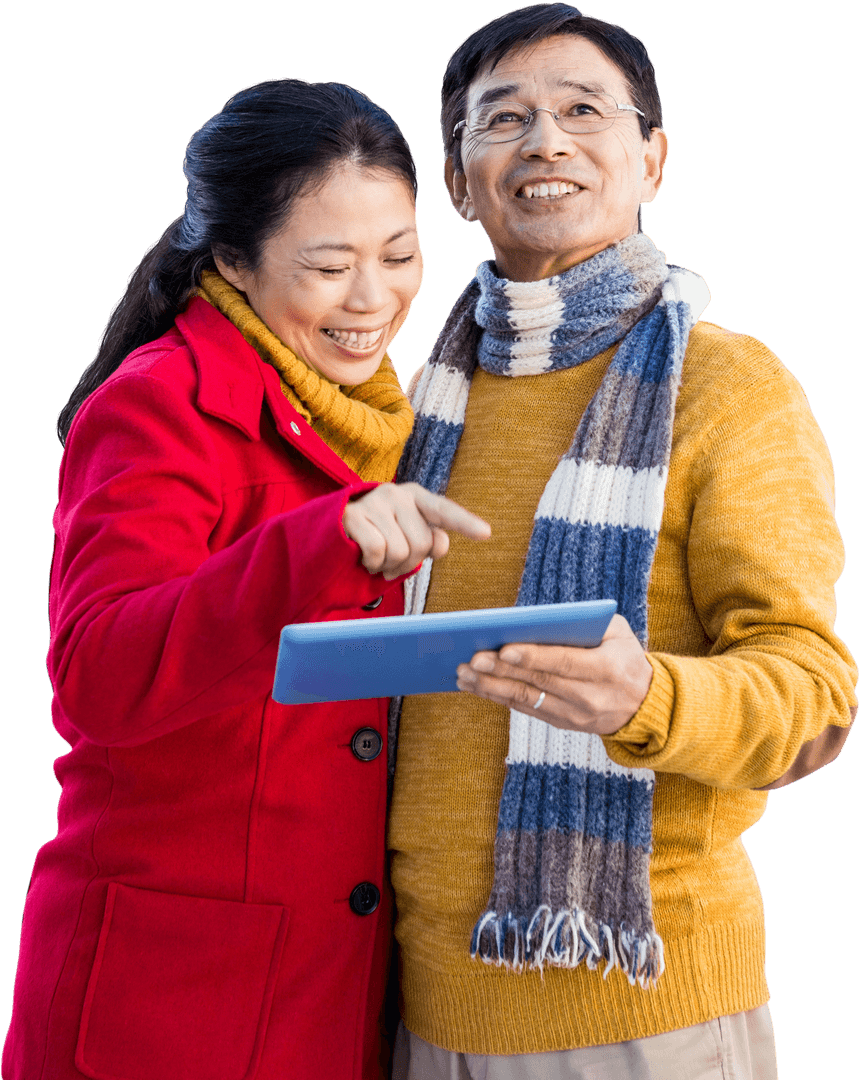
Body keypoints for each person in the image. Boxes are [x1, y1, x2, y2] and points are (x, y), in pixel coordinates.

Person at [387, 5, 858, 1079]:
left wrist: (642, 699)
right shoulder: (412, 408)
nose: (544, 141)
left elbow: (812, 696)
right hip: (417, 1002)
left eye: (581, 111)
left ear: (648, 158)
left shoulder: (726, 385)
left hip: (645, 1011)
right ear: (457, 183)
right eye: (499, 119)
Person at [1, 78, 489, 1080]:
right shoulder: (159, 404)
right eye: (328, 266)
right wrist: (319, 542)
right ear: (231, 258)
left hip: (328, 987)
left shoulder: (395, 416)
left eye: (398, 256)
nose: (372, 299)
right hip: (172, 998)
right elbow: (96, 674)